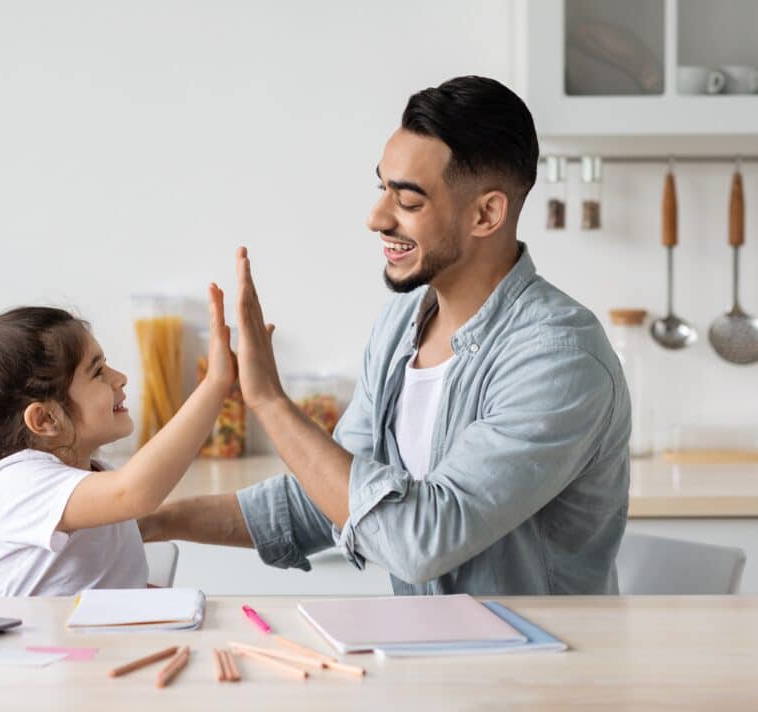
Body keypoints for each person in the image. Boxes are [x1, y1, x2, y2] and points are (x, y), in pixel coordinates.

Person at [140, 76, 631, 595]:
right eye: (383, 189)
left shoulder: (559, 358)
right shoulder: (402, 326)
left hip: (539, 668)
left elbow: (421, 543)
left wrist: (267, 400)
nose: (377, 218)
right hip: (431, 661)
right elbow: (328, 494)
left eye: (409, 202)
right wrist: (155, 521)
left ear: (486, 214)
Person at [0, 284, 234, 596]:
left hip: (90, 655)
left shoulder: (93, 475)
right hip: (40, 660)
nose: (120, 378)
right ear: (45, 419)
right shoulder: (20, 483)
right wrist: (216, 384)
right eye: (98, 371)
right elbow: (134, 492)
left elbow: (100, 579)